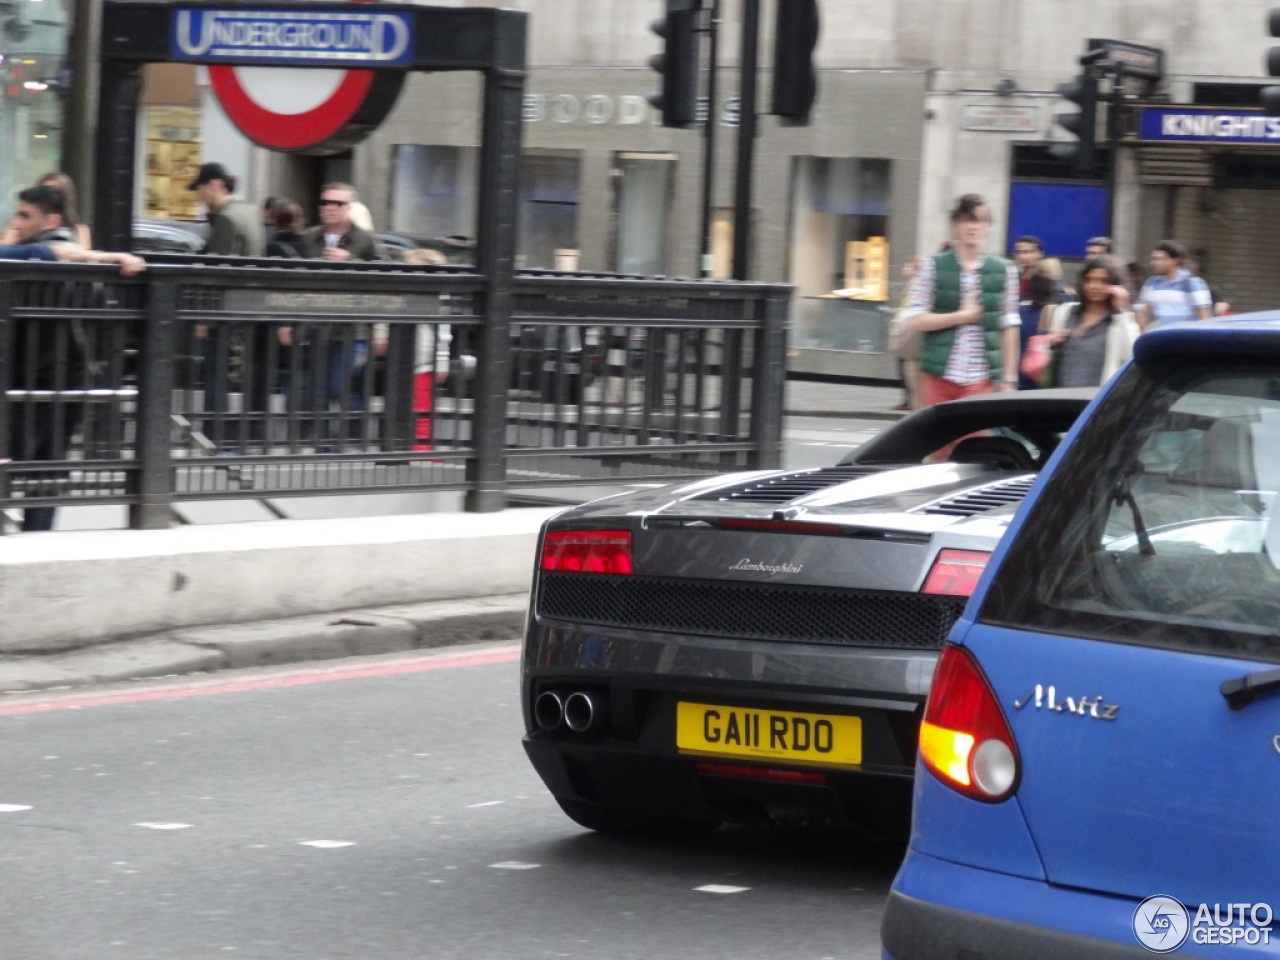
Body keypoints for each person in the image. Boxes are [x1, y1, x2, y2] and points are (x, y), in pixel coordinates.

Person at [901, 194, 1020, 408]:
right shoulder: (932, 266)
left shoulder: (1005, 270)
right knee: (938, 439)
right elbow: (915, 319)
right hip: (939, 373)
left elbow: (1010, 326)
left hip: (982, 376)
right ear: (955, 226)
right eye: (966, 220)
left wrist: (1009, 379)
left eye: (979, 220)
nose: (972, 227)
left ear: (987, 226)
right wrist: (961, 316)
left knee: (975, 440)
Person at [1040, 256, 1140, 388]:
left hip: (1095, 400)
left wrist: (1122, 312)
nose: (1094, 286)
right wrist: (1051, 343)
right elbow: (1046, 355)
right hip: (1059, 397)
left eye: (1104, 281)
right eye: (1089, 280)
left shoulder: (1119, 320)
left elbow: (1131, 354)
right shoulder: (1065, 312)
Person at [188, 162, 265, 257]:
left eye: (201, 190)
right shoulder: (251, 210)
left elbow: (219, 265)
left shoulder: (225, 218)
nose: (200, 198)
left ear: (215, 185)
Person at [1012, 235, 1057, 389]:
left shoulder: (1051, 283)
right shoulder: (1011, 281)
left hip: (1040, 356)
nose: (1024, 256)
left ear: (1040, 254)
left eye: (1029, 252)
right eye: (1020, 252)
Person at [1137, 240, 1212, 329]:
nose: (1153, 263)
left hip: (1185, 337)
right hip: (1160, 336)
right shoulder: (1151, 283)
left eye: (1158, 259)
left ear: (1174, 261)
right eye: (1153, 259)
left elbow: (1204, 316)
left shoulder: (1193, 283)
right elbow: (1143, 313)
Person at [299, 183, 379, 261]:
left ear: (349, 207)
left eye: (338, 204)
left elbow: (380, 269)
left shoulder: (365, 239)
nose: (329, 208)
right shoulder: (308, 236)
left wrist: (350, 259)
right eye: (324, 203)